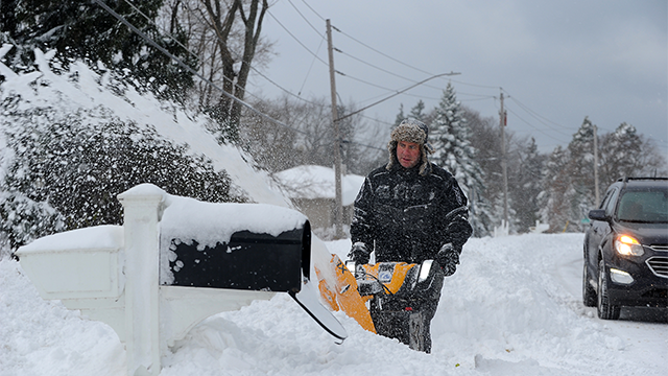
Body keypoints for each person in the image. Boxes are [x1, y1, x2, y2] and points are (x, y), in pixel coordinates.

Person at [348, 118, 473, 352]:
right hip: (386, 271)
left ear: (422, 150)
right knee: (382, 325)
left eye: (412, 147)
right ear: (394, 146)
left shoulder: (442, 182)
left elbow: (459, 220)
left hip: (424, 268)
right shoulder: (376, 181)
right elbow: (362, 220)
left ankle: (419, 365)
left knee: (415, 323)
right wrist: (360, 248)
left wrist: (450, 249)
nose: (406, 152)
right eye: (402, 145)